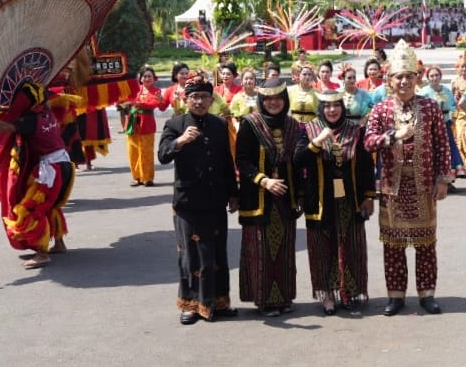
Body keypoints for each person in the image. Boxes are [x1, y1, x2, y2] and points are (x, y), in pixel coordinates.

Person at [364, 40, 452, 316]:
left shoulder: (430, 107)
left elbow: (442, 144)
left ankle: (427, 294)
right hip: (392, 188)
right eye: (398, 77)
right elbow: (368, 142)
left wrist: (442, 179)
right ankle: (396, 295)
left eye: (409, 76)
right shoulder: (380, 110)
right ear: (389, 80)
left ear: (417, 78)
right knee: (394, 245)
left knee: (426, 243)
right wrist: (390, 138)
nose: (404, 81)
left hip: (424, 186)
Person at [0, 80, 75, 269]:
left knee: (32, 209)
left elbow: (5, 127)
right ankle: (59, 243)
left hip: (52, 169)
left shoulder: (31, 119)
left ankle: (42, 254)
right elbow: (7, 114)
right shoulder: (46, 111)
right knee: (51, 205)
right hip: (65, 165)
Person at [157, 75, 239, 324]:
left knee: (216, 253)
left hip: (214, 200)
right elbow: (162, 155)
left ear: (211, 99)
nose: (200, 101)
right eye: (195, 97)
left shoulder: (218, 124)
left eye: (204, 97)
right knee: (190, 255)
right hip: (187, 202)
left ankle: (219, 302)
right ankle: (191, 305)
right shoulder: (175, 124)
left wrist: (233, 194)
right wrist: (180, 142)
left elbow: (227, 162)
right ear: (186, 99)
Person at [298, 91, 376, 314]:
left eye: (336, 105)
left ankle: (349, 292)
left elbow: (365, 166)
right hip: (320, 200)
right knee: (323, 248)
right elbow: (298, 159)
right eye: (327, 106)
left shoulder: (355, 130)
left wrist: (368, 196)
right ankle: (328, 294)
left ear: (342, 107)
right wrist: (317, 142)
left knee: (351, 246)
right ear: (321, 108)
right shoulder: (309, 129)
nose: (332, 110)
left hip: (349, 200)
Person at [235, 78, 304, 317]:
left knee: (284, 249)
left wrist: (302, 195)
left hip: (285, 198)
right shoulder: (250, 124)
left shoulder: (294, 126)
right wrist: (264, 180)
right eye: (268, 99)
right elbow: (242, 160)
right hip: (259, 197)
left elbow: (298, 163)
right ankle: (264, 299)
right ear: (261, 100)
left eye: (278, 98)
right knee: (261, 249)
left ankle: (283, 298)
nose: (273, 103)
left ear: (285, 100)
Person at [122, 66, 168, 187]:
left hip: (146, 124)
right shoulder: (134, 90)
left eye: (149, 76)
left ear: (153, 79)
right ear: (140, 78)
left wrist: (138, 104)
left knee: (146, 151)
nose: (147, 78)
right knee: (133, 151)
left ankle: (147, 177)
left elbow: (154, 104)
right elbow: (125, 101)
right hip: (132, 123)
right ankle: (137, 177)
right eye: (145, 76)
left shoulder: (156, 91)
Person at [418, 65, 459, 188]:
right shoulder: (423, 92)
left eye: (436, 75)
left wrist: (452, 118)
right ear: (428, 78)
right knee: (432, 152)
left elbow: (453, 106)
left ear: (440, 76)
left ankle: (448, 180)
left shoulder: (446, 90)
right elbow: (419, 108)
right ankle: (432, 179)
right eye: (432, 76)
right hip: (430, 127)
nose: (434, 78)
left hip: (445, 125)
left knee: (447, 152)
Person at [450, 54, 466, 177]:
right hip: (459, 114)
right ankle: (464, 167)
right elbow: (451, 100)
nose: (464, 69)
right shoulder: (454, 82)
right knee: (460, 139)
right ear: (458, 68)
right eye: (462, 66)